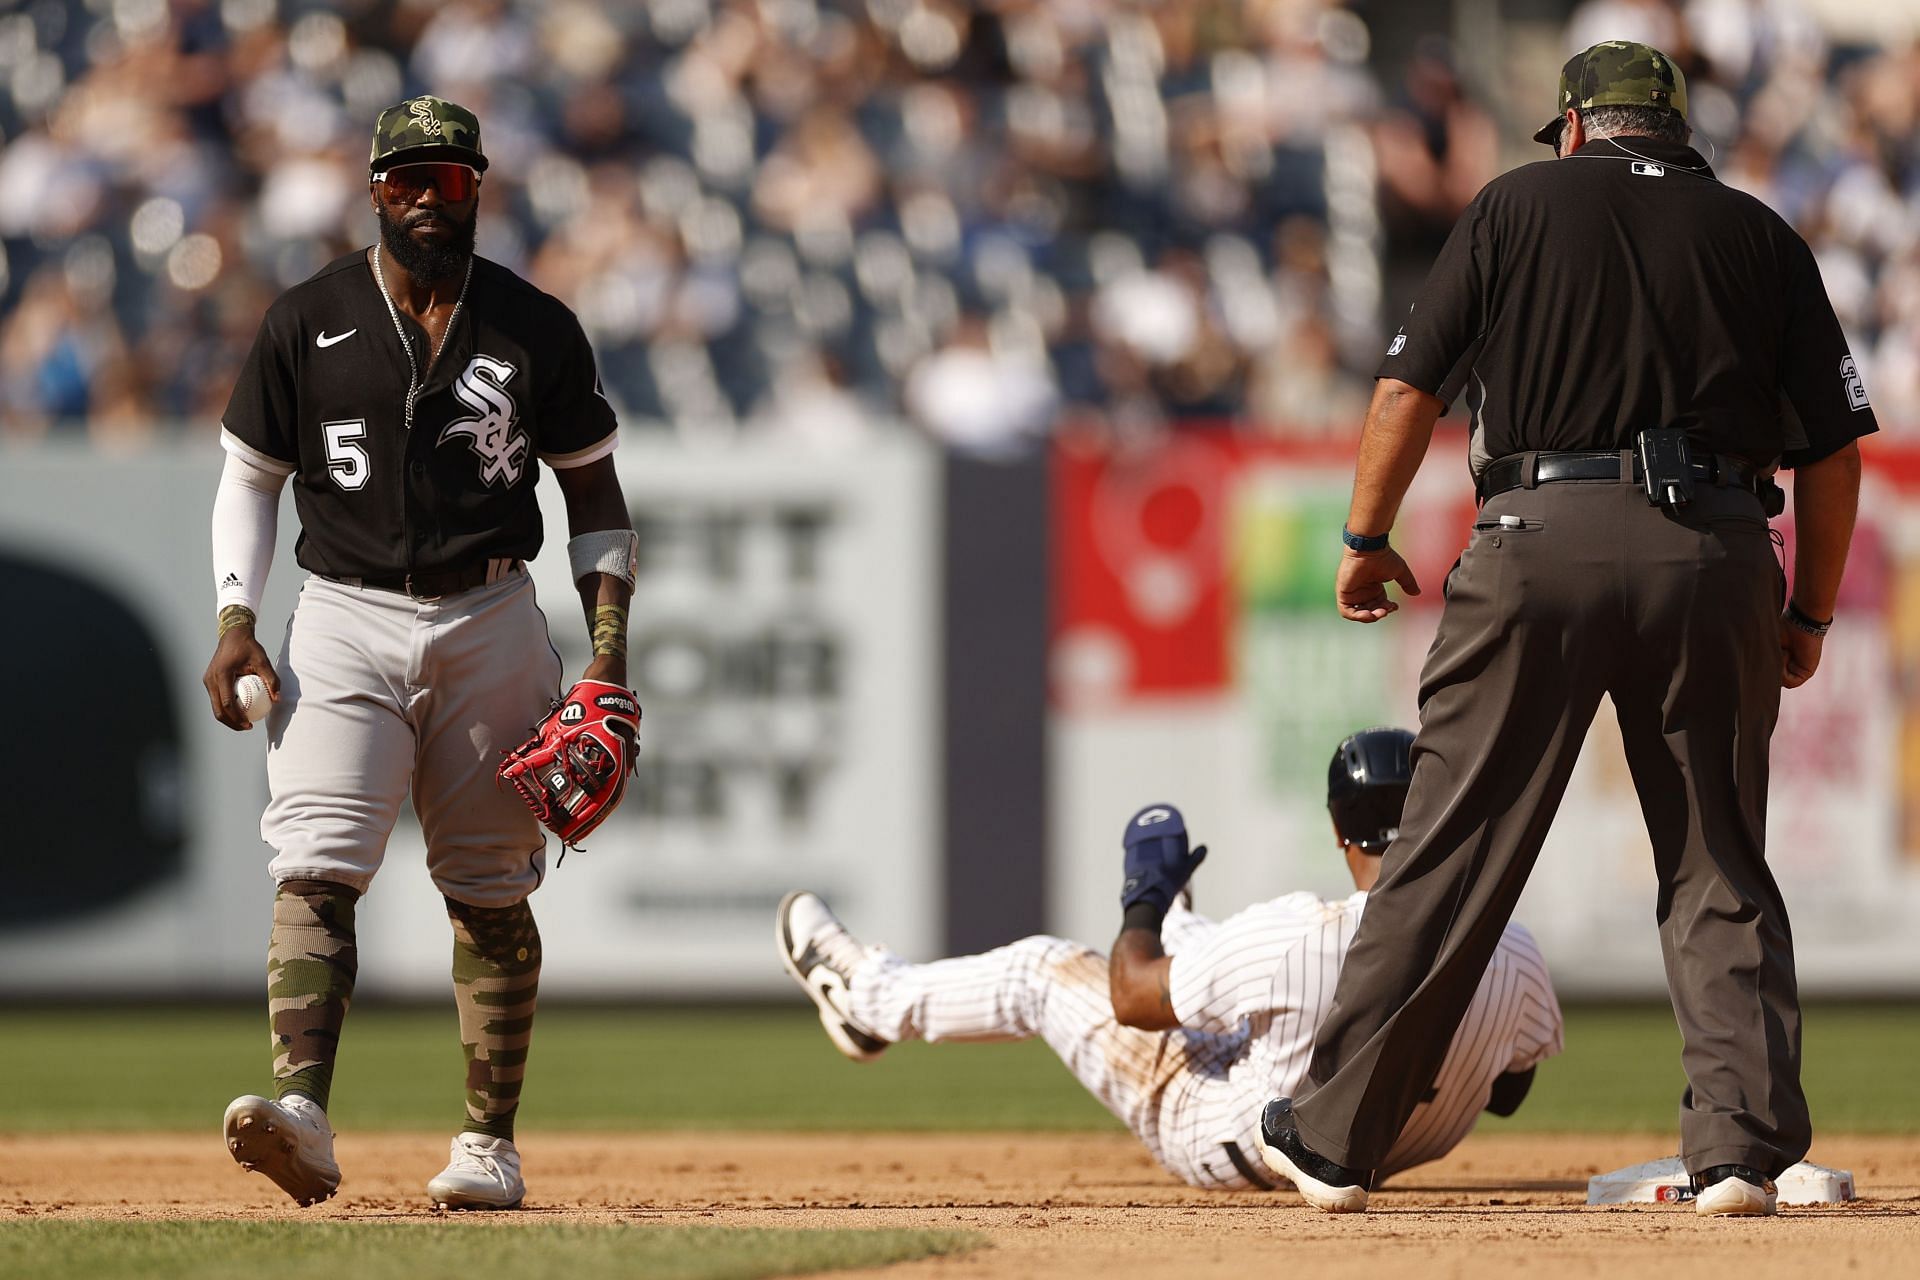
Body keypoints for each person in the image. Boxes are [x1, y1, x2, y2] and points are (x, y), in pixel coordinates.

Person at [1257, 42, 1873, 1219]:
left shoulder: (1514, 203)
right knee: (1717, 855)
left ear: (1579, 128)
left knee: (1451, 841)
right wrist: (1809, 611)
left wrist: (1364, 535)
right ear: (1676, 131)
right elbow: (1834, 449)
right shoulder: (1761, 234)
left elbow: (1406, 392)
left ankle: (1334, 1139)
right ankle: (1741, 1151)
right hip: (1718, 551)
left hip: (1540, 535)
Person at [201, 96, 640, 1212]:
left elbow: (594, 493)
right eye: (405, 180)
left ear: (477, 187)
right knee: (316, 860)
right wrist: (235, 615)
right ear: (374, 190)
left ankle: (488, 1141)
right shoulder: (307, 318)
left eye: (447, 180)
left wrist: (605, 655)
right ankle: (301, 1105)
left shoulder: (533, 323)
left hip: (490, 612)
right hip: (342, 609)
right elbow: (250, 480)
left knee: (490, 885)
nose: (426, 199)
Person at [777, 728, 1562, 1194]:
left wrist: (1143, 899)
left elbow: (1131, 999)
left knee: (1043, 971)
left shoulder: (1303, 931)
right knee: (1243, 977)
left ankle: (866, 1000)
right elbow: (1510, 1095)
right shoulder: (1515, 945)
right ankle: (1188, 927)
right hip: (1385, 1146)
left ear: (1339, 832)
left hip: (1231, 1141)